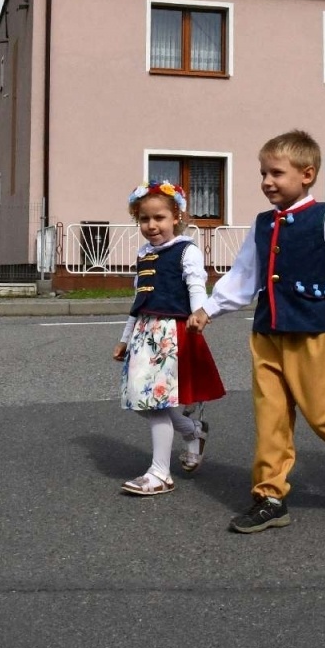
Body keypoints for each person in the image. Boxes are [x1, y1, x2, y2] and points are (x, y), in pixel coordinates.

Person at [187, 130, 325, 533]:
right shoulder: (264, 224)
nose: (266, 181)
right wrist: (209, 307)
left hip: (313, 336)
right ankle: (269, 496)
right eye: (263, 173)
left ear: (307, 174)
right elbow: (245, 274)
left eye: (276, 173)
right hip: (267, 335)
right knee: (270, 418)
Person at [114, 181, 225, 496]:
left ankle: (160, 473)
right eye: (145, 219)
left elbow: (195, 284)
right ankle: (192, 431)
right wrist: (124, 338)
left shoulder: (185, 249)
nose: (152, 226)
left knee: (156, 402)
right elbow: (139, 300)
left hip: (172, 333)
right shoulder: (143, 255)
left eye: (159, 218)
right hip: (144, 332)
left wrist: (198, 313)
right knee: (140, 401)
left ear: (176, 215)